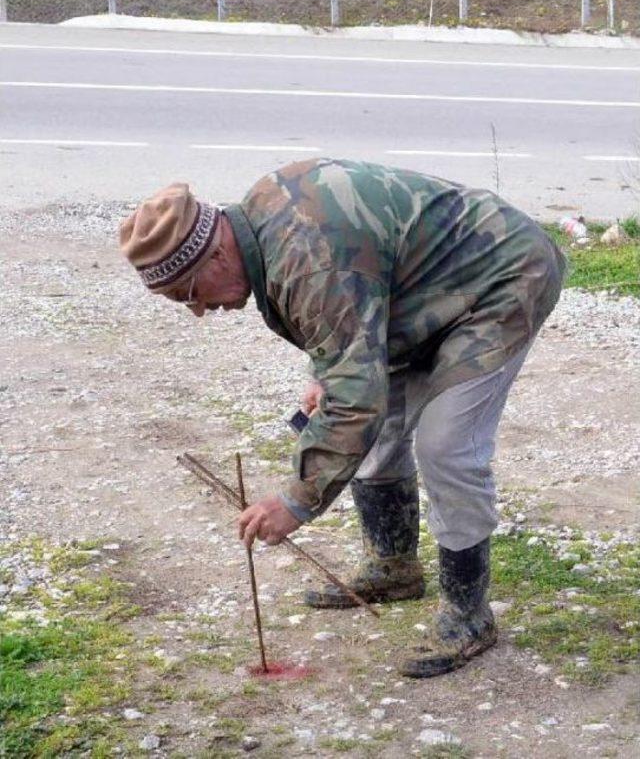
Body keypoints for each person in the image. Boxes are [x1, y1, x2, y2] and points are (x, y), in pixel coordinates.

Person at [119, 158, 565, 678]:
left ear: (216, 253)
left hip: (502, 277)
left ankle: (469, 615)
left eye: (189, 294)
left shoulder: (305, 256)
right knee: (370, 427)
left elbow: (352, 383)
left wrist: (295, 501)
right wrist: (326, 372)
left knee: (447, 446)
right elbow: (343, 310)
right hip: (422, 291)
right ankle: (393, 567)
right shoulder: (265, 225)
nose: (198, 311)